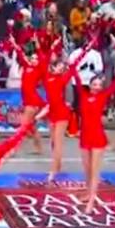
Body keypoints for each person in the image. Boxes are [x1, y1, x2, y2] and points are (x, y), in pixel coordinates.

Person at [45, 41, 92, 181]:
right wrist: (52, 47)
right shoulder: (47, 77)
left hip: (61, 112)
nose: (61, 68)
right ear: (52, 67)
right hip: (51, 112)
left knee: (58, 142)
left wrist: (85, 51)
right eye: (58, 66)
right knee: (53, 141)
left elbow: (74, 65)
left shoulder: (62, 78)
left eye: (62, 67)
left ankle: (53, 171)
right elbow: (44, 60)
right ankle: (57, 164)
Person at [76, 74, 115, 213]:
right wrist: (84, 52)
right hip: (84, 136)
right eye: (94, 84)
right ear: (89, 85)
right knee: (87, 169)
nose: (97, 87)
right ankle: (89, 192)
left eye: (99, 85)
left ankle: (92, 200)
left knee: (95, 171)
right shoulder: (83, 94)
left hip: (97, 137)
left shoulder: (103, 96)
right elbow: (74, 74)